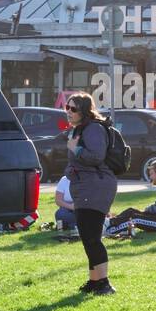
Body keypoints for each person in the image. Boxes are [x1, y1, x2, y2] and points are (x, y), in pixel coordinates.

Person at [64, 93, 118, 295]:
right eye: (67, 108)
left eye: (74, 109)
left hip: (96, 186)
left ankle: (104, 283)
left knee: (92, 236)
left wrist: (76, 150)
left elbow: (96, 156)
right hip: (84, 187)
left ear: (85, 110)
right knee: (87, 236)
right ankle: (94, 281)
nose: (69, 112)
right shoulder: (79, 129)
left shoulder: (94, 128)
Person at [106, 159, 156, 237]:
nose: (150, 177)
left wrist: (144, 212)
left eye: (151, 174)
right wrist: (143, 212)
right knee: (131, 211)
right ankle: (110, 222)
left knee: (135, 219)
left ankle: (108, 231)